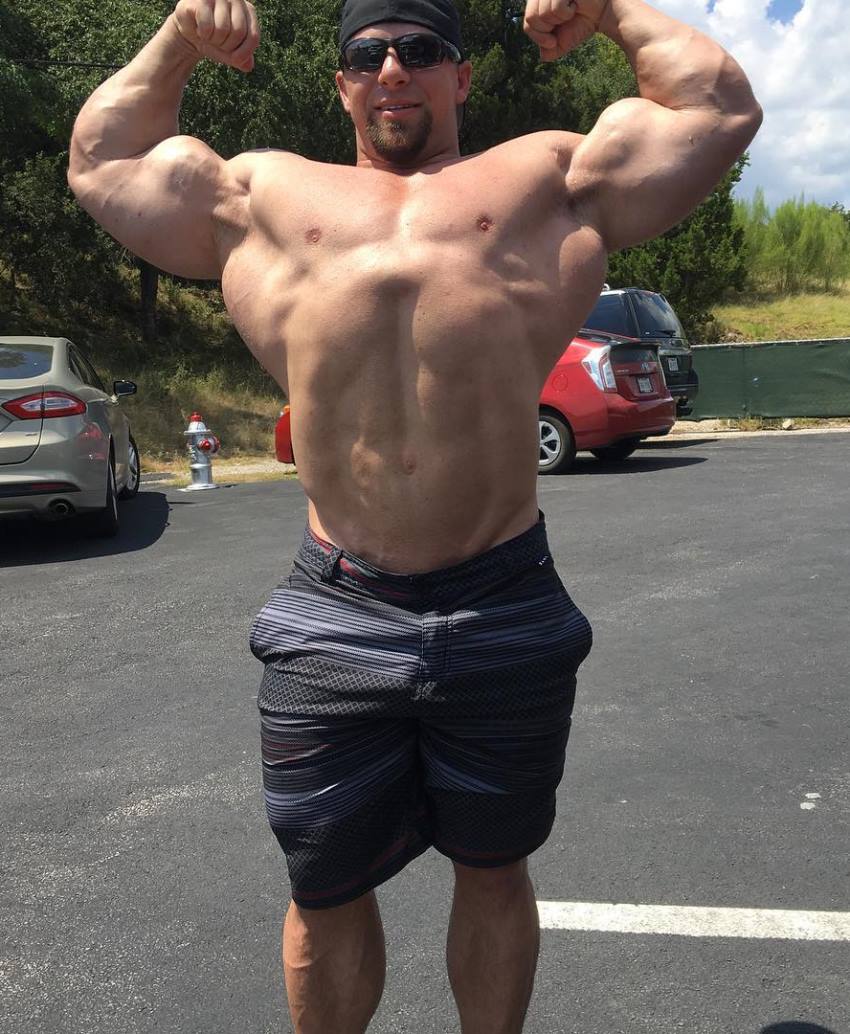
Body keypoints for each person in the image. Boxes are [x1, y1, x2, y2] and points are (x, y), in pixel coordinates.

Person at [68, 0, 761, 1030]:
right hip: (337, 604)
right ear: (341, 80)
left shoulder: (544, 178)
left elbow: (715, 107)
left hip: (500, 593)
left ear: (460, 77)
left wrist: (612, 11)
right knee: (324, 883)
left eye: (421, 50)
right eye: (367, 53)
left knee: (493, 865)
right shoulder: (263, 192)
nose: (394, 69)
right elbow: (101, 159)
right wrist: (179, 35)